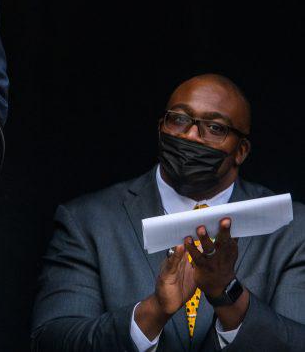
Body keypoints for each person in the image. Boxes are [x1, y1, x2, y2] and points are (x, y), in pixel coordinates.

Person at [31, 74, 305, 350]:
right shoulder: (88, 221)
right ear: (161, 127)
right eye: (179, 119)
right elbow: (51, 340)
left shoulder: (292, 227)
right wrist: (154, 311)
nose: (191, 135)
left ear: (241, 151)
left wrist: (229, 296)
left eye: (214, 127)